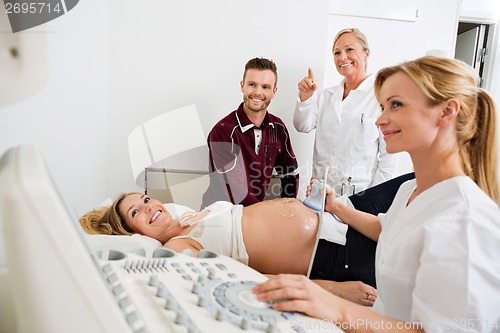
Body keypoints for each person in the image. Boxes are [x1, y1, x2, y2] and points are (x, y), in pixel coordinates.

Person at [253, 56, 500, 332]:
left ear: (446, 112)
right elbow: (387, 229)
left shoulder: (465, 219)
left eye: (396, 105)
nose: (380, 119)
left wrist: (333, 304)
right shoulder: (411, 189)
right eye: (382, 106)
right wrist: (337, 207)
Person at [81, 191, 387, 306]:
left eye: (145, 200)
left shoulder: (188, 216)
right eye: (136, 213)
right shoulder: (179, 248)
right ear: (132, 232)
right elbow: (238, 280)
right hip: (333, 254)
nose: (149, 208)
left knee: (423, 184)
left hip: (341, 213)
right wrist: (330, 290)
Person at [294, 27, 397, 197]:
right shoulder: (326, 97)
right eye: (336, 52)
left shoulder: (381, 97)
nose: (342, 57)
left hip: (359, 197)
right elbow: (302, 125)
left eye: (349, 49)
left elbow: (388, 158)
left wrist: (373, 198)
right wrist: (306, 98)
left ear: (366, 53)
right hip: (320, 194)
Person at [200, 57, 299, 209]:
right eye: (252, 84)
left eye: (265, 87)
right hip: (220, 216)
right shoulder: (223, 132)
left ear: (274, 91)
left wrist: (289, 208)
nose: (258, 92)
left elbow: (289, 173)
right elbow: (236, 191)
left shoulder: (278, 128)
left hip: (254, 215)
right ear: (242, 86)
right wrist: (266, 216)